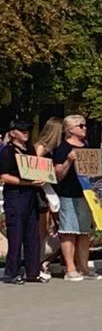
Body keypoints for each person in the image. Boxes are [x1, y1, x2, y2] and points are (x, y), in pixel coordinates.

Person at [1, 119, 44, 284]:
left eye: (27, 130)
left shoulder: (30, 149)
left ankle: (33, 272)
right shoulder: (8, 151)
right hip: (15, 196)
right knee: (16, 234)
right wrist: (28, 183)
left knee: (33, 235)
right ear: (12, 133)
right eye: (21, 130)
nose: (25, 132)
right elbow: (4, 176)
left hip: (31, 196)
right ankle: (12, 273)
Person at [52, 115, 94, 281]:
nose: (84, 128)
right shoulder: (63, 148)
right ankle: (70, 268)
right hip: (68, 194)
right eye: (81, 126)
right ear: (70, 129)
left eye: (85, 125)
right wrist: (69, 161)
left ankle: (84, 267)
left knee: (84, 232)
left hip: (85, 195)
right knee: (69, 231)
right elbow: (57, 175)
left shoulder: (87, 146)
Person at [33, 117, 64, 280]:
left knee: (60, 230)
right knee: (44, 231)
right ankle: (39, 261)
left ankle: (45, 261)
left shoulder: (54, 149)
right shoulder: (41, 147)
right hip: (44, 192)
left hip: (53, 190)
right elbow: (34, 168)